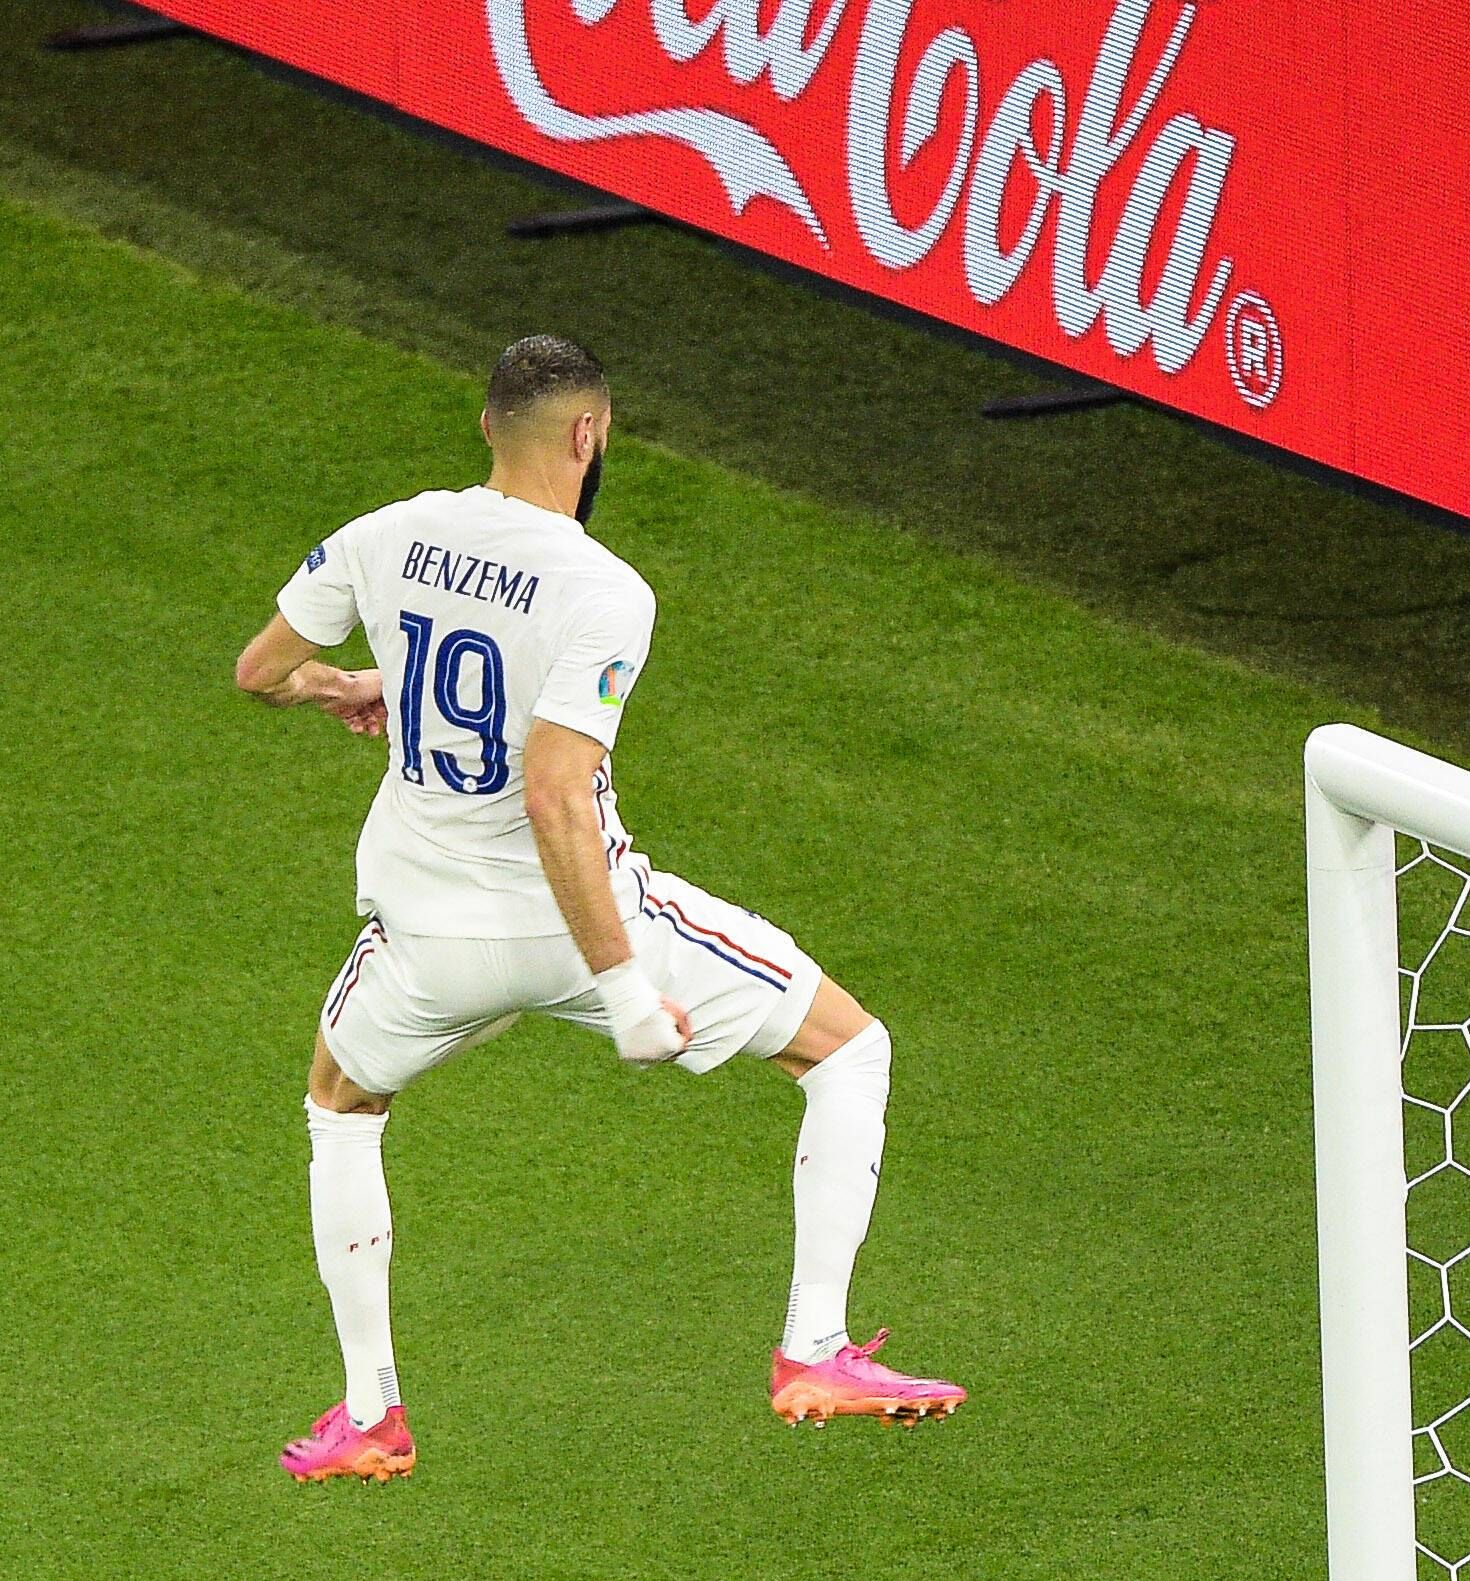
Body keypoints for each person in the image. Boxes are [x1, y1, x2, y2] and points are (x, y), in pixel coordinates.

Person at [233, 335, 965, 1484]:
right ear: (590, 435)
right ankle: (813, 1345)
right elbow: (556, 787)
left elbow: (261, 670)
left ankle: (370, 1409)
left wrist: (352, 682)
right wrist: (625, 988)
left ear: (488, 426)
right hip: (583, 934)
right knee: (847, 1048)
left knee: (341, 1097)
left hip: (428, 947)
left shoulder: (386, 534)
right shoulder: (604, 589)